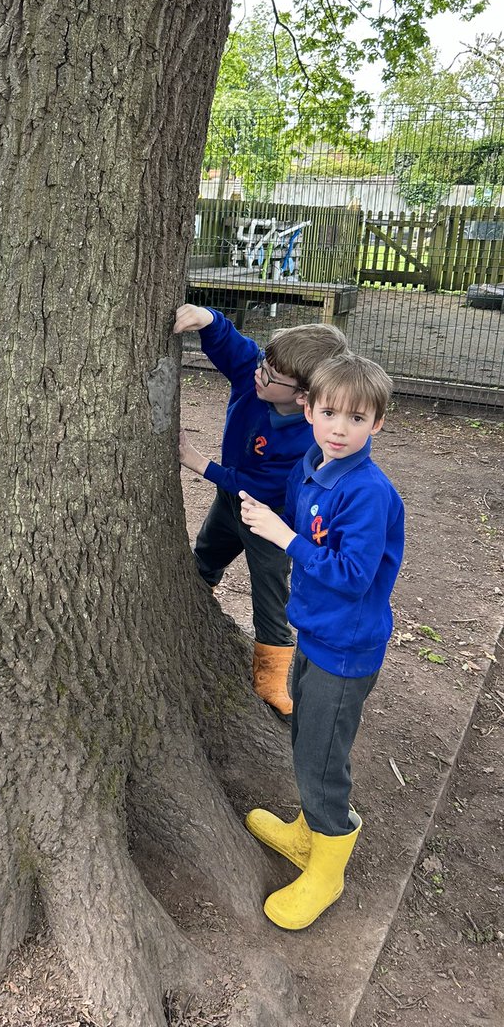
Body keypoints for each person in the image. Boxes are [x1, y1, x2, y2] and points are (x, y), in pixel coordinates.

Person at [238, 352, 405, 930]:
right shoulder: (312, 464)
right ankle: (307, 833)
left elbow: (354, 574)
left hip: (346, 649)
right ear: (308, 410)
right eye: (329, 412)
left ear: (377, 424)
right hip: (314, 634)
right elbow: (292, 513)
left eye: (356, 419)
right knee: (306, 733)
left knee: (321, 758)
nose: (340, 428)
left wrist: (286, 539)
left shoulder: (367, 492)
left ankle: (328, 863)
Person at [174, 303, 347, 718]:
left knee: (270, 591)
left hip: (270, 518)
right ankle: (191, 610)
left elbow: (265, 487)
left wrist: (203, 465)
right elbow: (234, 346)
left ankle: (271, 676)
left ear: (304, 396)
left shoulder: (308, 440)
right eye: (264, 363)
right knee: (207, 554)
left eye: (271, 374)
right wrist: (208, 319)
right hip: (230, 500)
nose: (260, 372)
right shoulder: (256, 376)